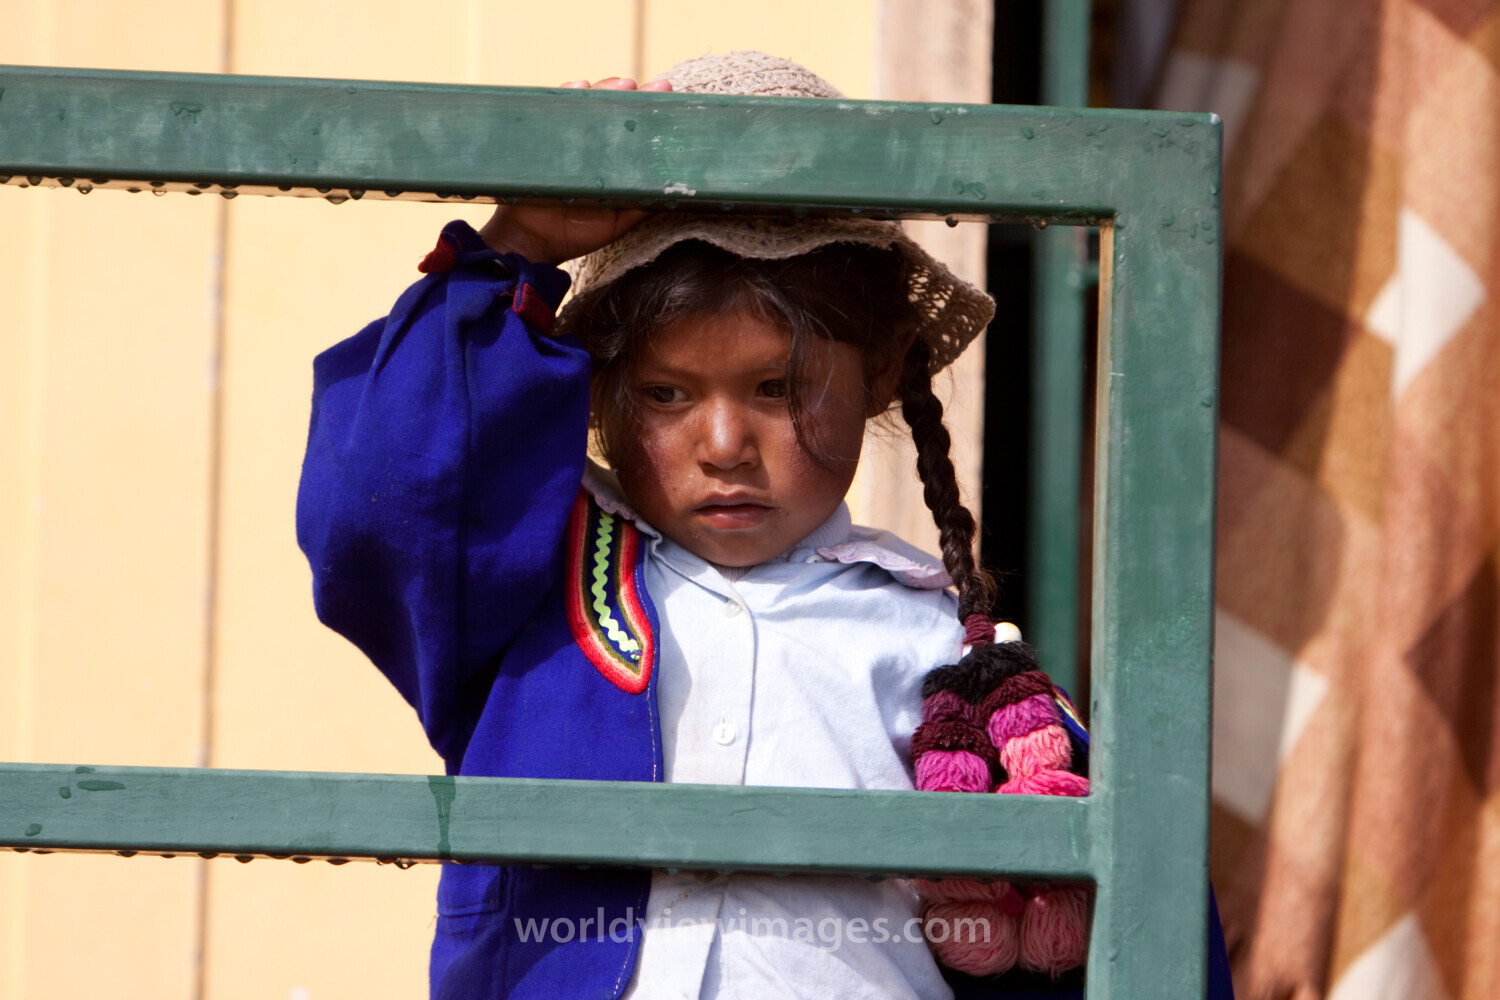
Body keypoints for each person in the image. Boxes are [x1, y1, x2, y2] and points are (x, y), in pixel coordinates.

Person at [298, 51, 1225, 1000]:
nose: (724, 443)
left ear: (883, 364)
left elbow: (1135, 936)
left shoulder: (956, 667)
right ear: (600, 391)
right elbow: (377, 500)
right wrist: (525, 239)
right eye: (664, 392)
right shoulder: (524, 594)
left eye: (778, 389)